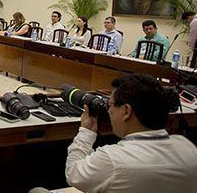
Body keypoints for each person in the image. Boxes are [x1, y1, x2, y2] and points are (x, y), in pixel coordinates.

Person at [65, 73, 197, 192]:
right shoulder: (188, 148)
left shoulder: (111, 160)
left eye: (110, 105)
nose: (109, 112)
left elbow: (73, 174)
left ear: (126, 111)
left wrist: (86, 132)